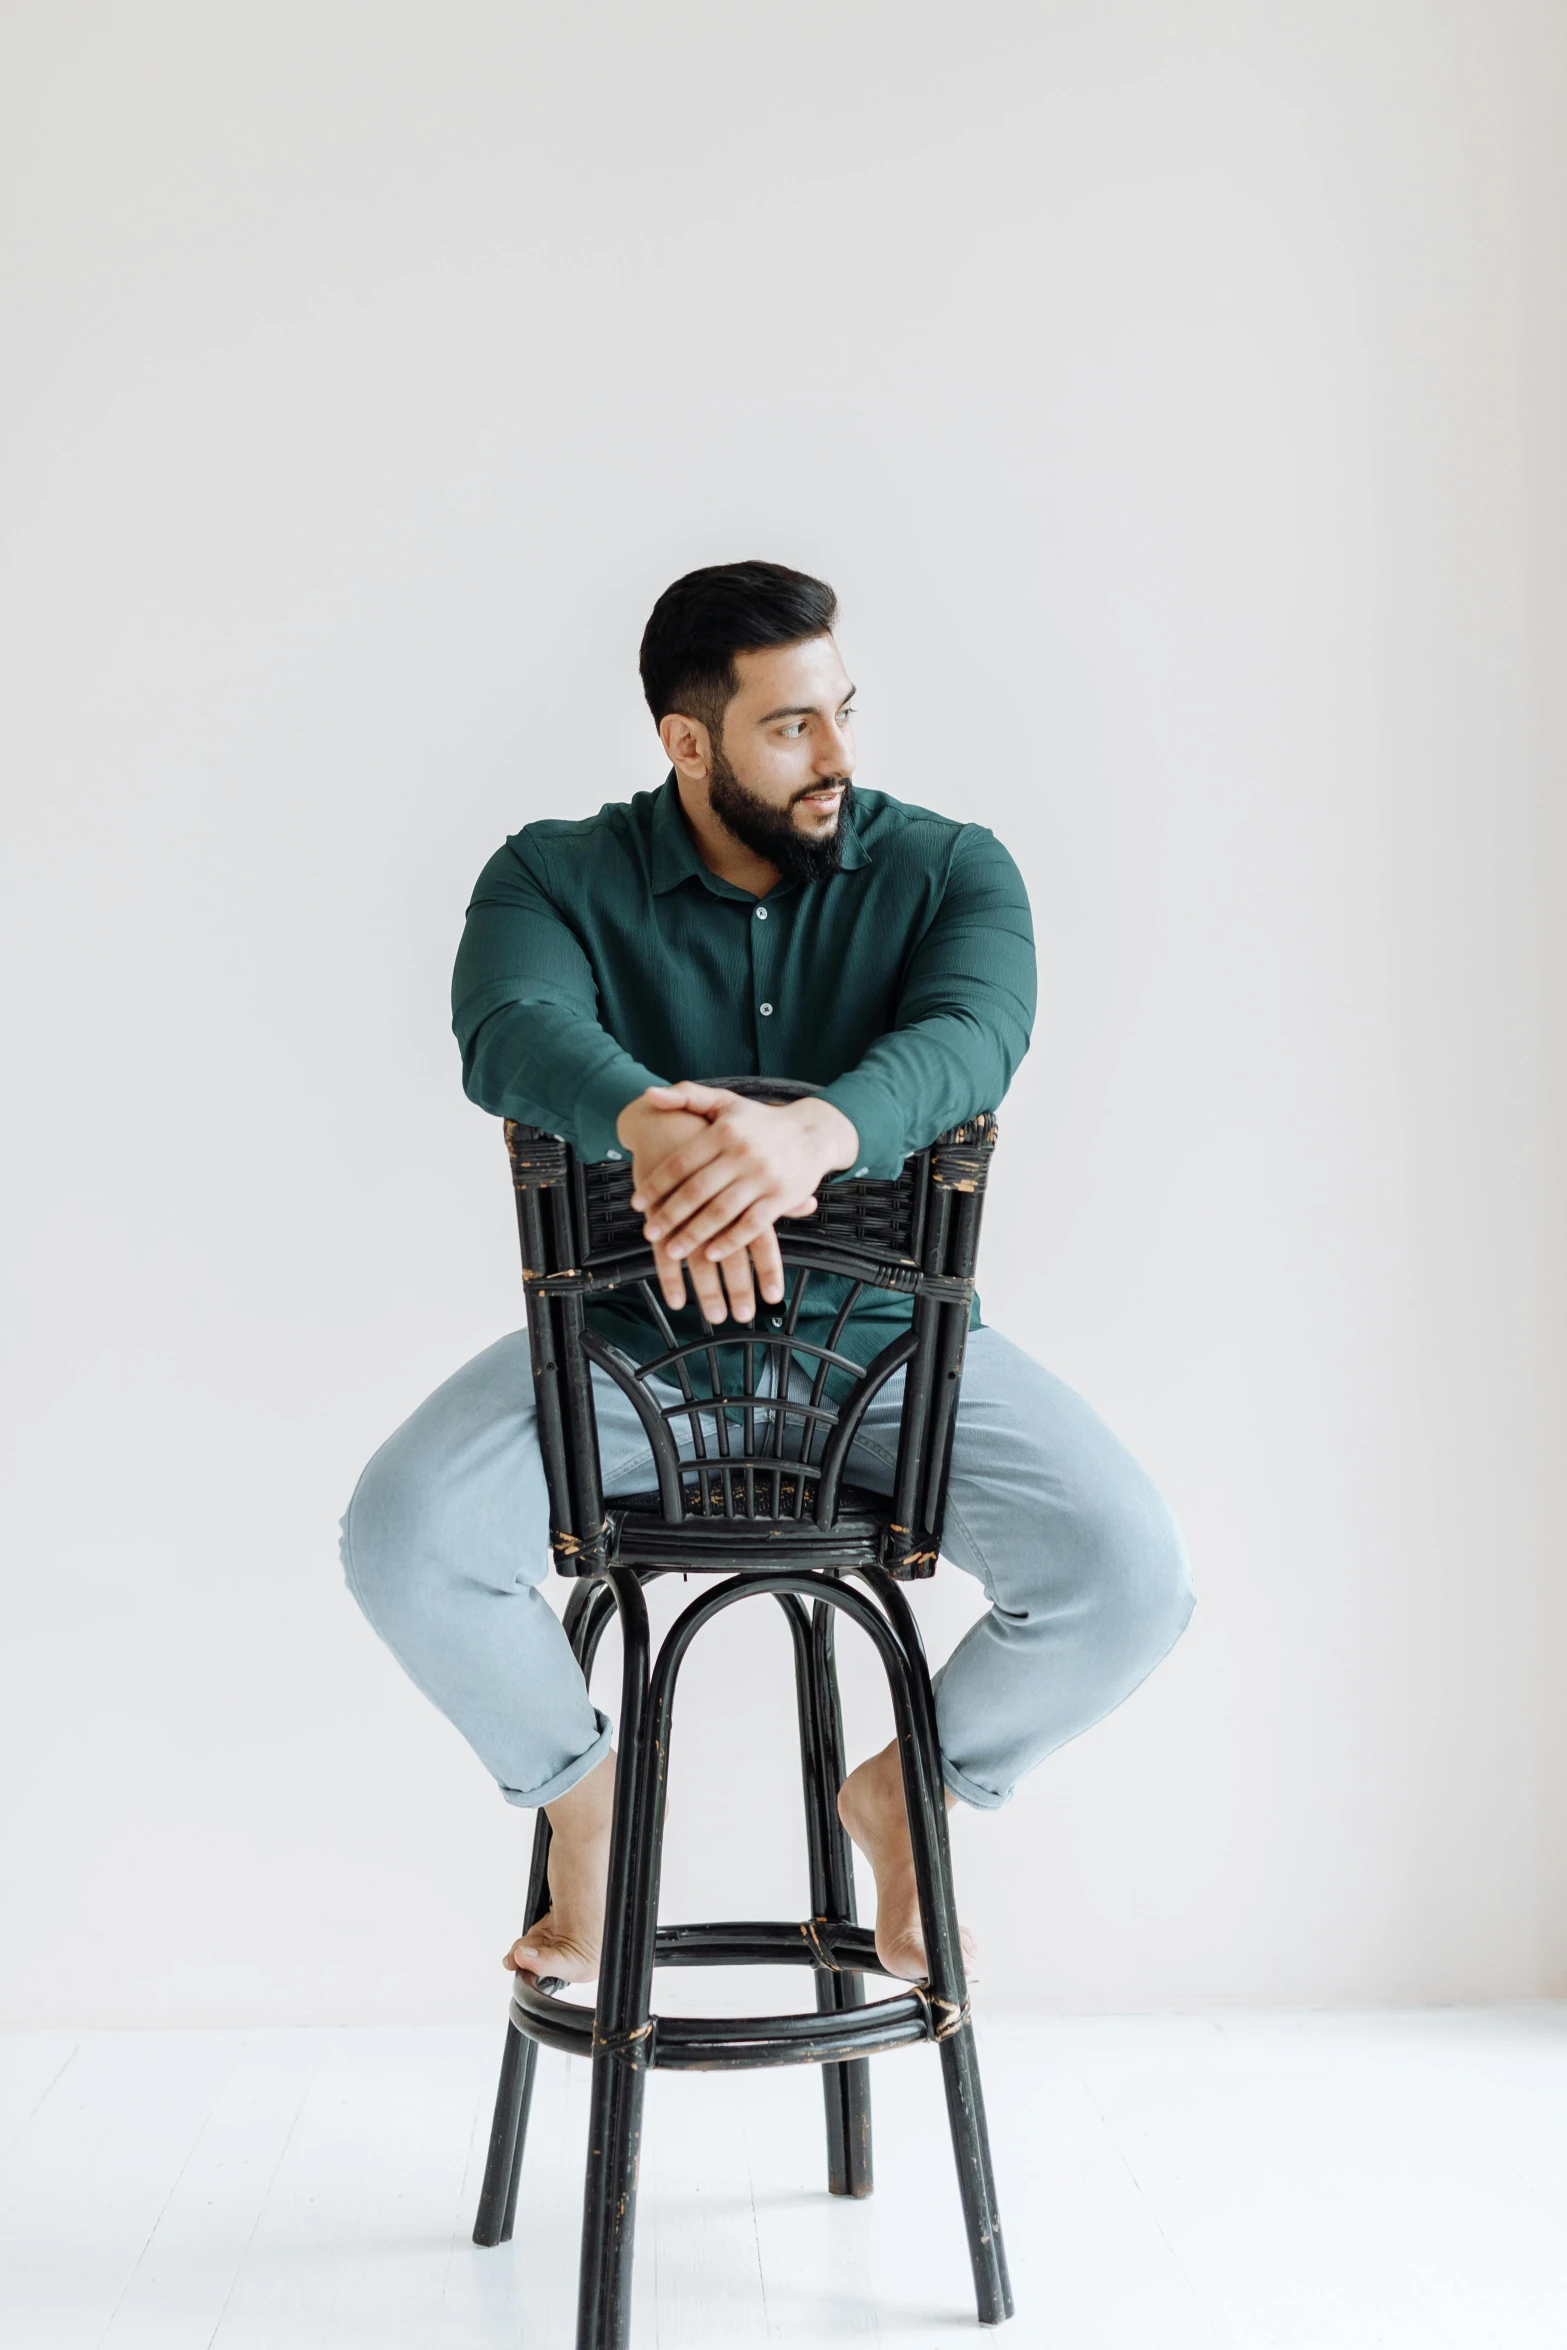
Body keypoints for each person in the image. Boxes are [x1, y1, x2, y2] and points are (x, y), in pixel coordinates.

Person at [341, 559, 1194, 1987]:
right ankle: (586, 1801)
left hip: (883, 1348)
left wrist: (811, 1132)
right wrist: (660, 1128)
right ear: (687, 743)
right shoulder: (550, 871)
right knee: (401, 1538)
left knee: (1129, 1576)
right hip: (622, 1343)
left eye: (841, 712)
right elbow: (503, 1023)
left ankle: (908, 1803)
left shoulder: (948, 866)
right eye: (791, 726)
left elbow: (980, 1030)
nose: (837, 757)